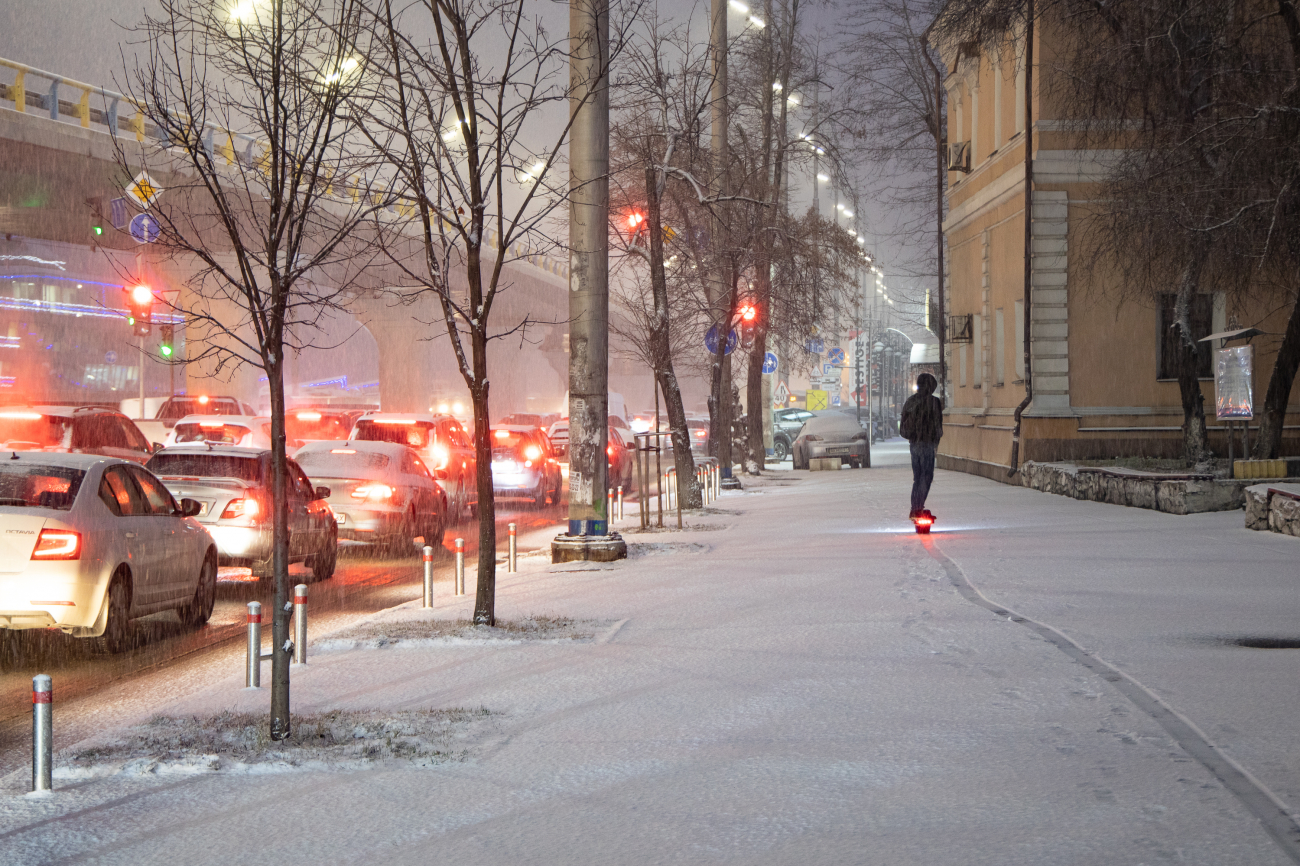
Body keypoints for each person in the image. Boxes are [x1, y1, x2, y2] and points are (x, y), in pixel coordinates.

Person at [899, 372, 943, 520]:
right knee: (927, 476)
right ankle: (918, 508)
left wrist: (914, 436)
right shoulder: (933, 402)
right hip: (927, 444)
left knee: (918, 478)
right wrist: (935, 440)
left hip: (914, 444)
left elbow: (903, 428)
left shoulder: (910, 401)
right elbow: (938, 426)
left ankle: (915, 508)